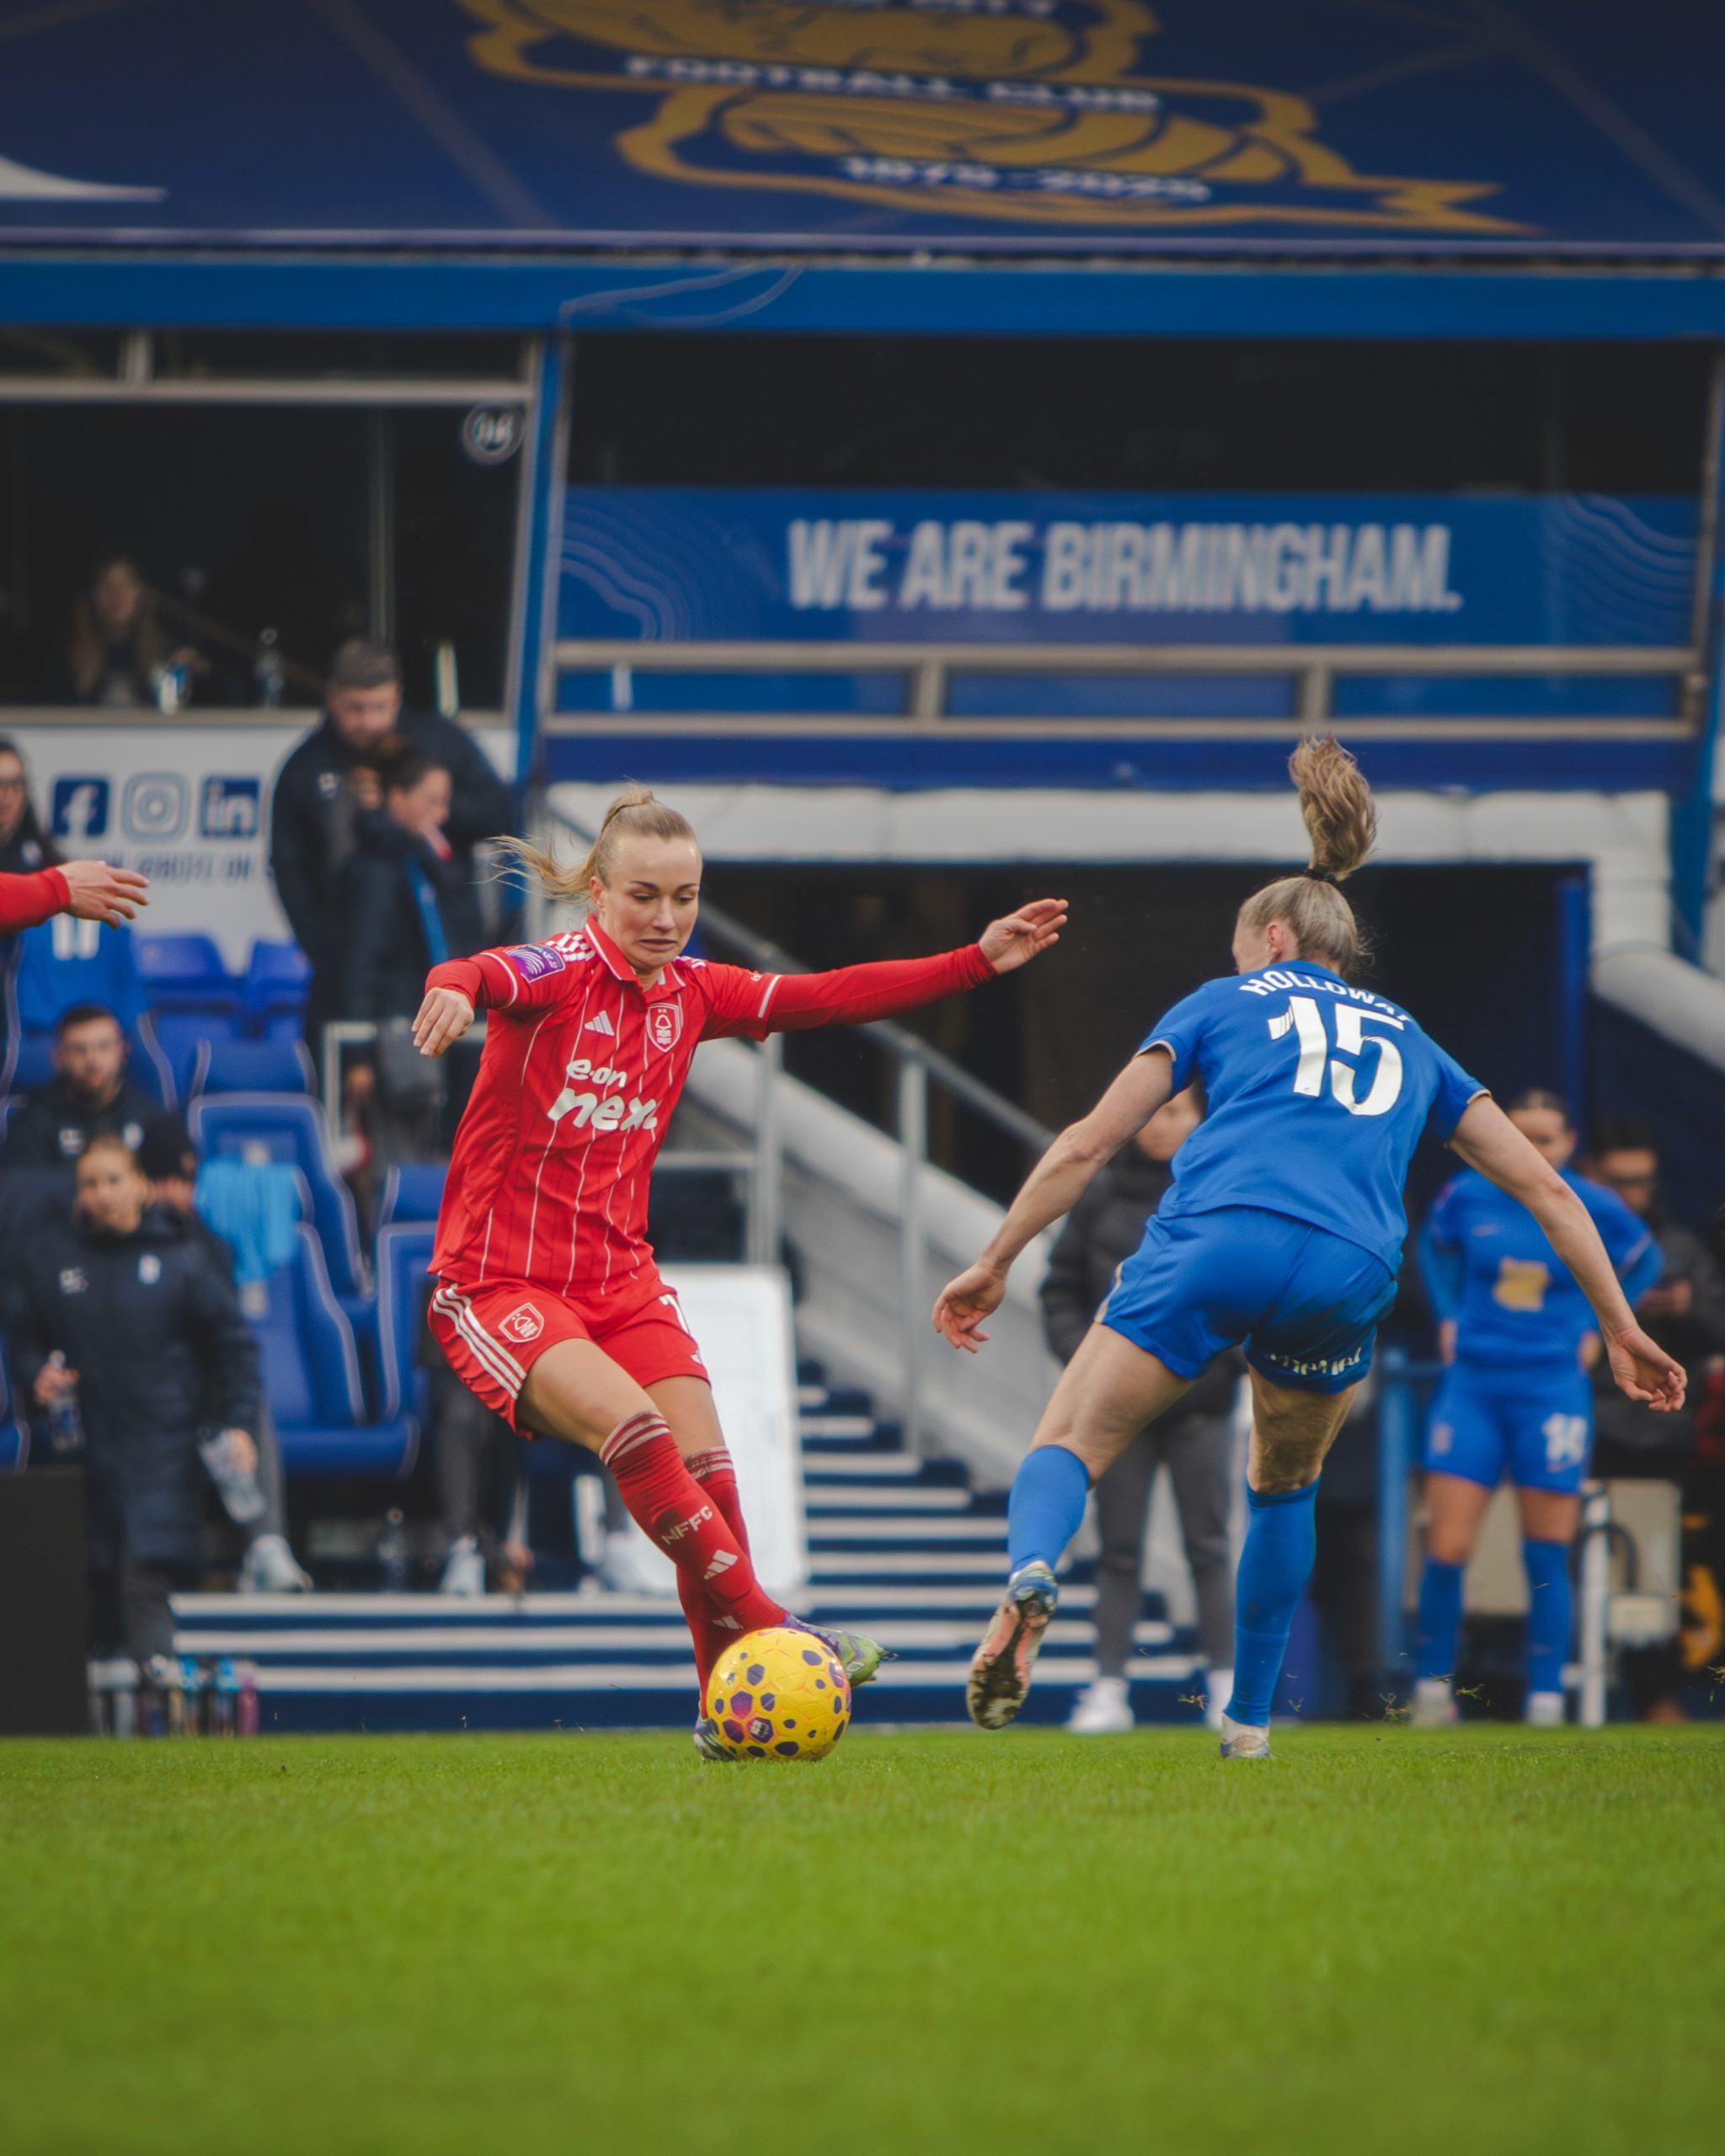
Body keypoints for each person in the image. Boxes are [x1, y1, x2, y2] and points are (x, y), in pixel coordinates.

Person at [932, 739, 1685, 1758]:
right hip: (1346, 1269)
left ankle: (1030, 1571)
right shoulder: (1410, 1037)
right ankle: (1247, 1723)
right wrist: (1621, 1324)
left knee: (1069, 1439)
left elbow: (1084, 1145)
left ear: (1274, 937)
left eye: (1244, 949)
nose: (1241, 962)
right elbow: (1547, 1189)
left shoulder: (1221, 1000)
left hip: (1219, 1238)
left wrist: (993, 1260)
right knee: (1282, 1483)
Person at [411, 784, 1066, 1753]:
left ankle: (723, 1713)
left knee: (713, 1481)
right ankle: (780, 1628)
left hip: (620, 1280)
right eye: (644, 896)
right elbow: (478, 970)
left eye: (684, 897)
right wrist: (452, 986)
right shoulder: (556, 972)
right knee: (637, 1433)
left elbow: (828, 995)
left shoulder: (692, 993)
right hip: (498, 1281)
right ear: (597, 893)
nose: (666, 918)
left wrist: (971, 962)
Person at [1409, 1090, 1661, 1727]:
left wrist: (1602, 1326)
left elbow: (1645, 1260)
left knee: (1546, 1549)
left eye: (1545, 1138)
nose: (1530, 1149)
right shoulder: (1466, 1193)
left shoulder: (1590, 1203)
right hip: (1472, 1384)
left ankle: (1546, 1698)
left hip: (1550, 1388)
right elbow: (1432, 1249)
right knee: (1446, 1547)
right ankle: (1431, 1692)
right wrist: (1448, 1316)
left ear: (1569, 1143)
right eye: (1518, 1134)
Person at [3, 1136, 263, 1666]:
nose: (103, 1194)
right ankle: (108, 1705)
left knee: (143, 1581)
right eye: (90, 1183)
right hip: (84, 1455)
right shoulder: (52, 1259)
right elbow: (23, 1339)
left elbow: (234, 1348)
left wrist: (239, 1423)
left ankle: (155, 1691)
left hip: (163, 1451)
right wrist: (37, 1375)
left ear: (142, 1185)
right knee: (92, 1589)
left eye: (114, 1180)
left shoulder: (183, 1256)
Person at [1039, 1084, 1237, 1733]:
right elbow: (1059, 1289)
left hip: (1201, 1406)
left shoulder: (1225, 1192)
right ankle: (1108, 1690)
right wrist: (1089, 1363)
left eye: (1175, 1111)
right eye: (1152, 1110)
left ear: (1201, 1117)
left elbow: (1252, 1293)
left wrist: (1221, 1364)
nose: (1158, 1124)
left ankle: (1227, 1689)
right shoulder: (1100, 1194)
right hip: (1117, 1413)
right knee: (1118, 1552)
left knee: (1209, 1547)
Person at [268, 638, 512, 1074]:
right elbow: (288, 868)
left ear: (397, 697)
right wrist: (322, 949)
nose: (369, 721)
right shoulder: (306, 767)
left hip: (441, 954)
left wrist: (423, 811)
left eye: (380, 707)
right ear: (331, 698)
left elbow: (500, 812)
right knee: (347, 1093)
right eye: (356, 708)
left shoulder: (438, 742)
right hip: (344, 963)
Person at [1584, 1118, 1725, 1717]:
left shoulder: (1680, 1249)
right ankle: (1544, 1691)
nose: (1631, 1195)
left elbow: (1717, 1331)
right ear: (1592, 1175)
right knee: (1565, 1560)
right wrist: (1610, 1307)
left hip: (1665, 1433)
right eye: (1618, 1182)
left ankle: (1656, 1696)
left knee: (1661, 1570)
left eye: (1641, 1182)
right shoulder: (1567, 1232)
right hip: (1586, 1423)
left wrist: (1691, 1307)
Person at [136, 1115, 312, 1594]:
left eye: (185, 1182)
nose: (176, 1194)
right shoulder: (121, 1242)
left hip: (197, 1387)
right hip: (139, 1383)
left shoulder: (210, 1246)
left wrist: (234, 1416)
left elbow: (230, 1341)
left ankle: (266, 1546)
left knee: (246, 1405)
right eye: (163, 1182)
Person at [336, 748, 486, 1166]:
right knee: (398, 1162)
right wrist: (358, 1056)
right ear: (397, 797)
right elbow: (360, 964)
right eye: (432, 801)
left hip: (433, 1029)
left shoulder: (426, 863)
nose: (442, 814)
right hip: (395, 1036)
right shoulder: (376, 869)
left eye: (445, 802)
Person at [3, 1005, 160, 1169]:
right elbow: (20, 1182)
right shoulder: (33, 1121)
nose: (93, 1061)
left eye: (103, 1046)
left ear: (123, 1052)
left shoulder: (151, 1117)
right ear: (58, 1058)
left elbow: (169, 1180)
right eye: (79, 1050)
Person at [64, 558, 202, 708]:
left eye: (126, 584)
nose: (117, 595)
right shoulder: (71, 655)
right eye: (106, 585)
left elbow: (177, 709)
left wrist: (194, 675)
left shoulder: (165, 653)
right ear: (93, 595)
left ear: (139, 592)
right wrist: (81, 686)